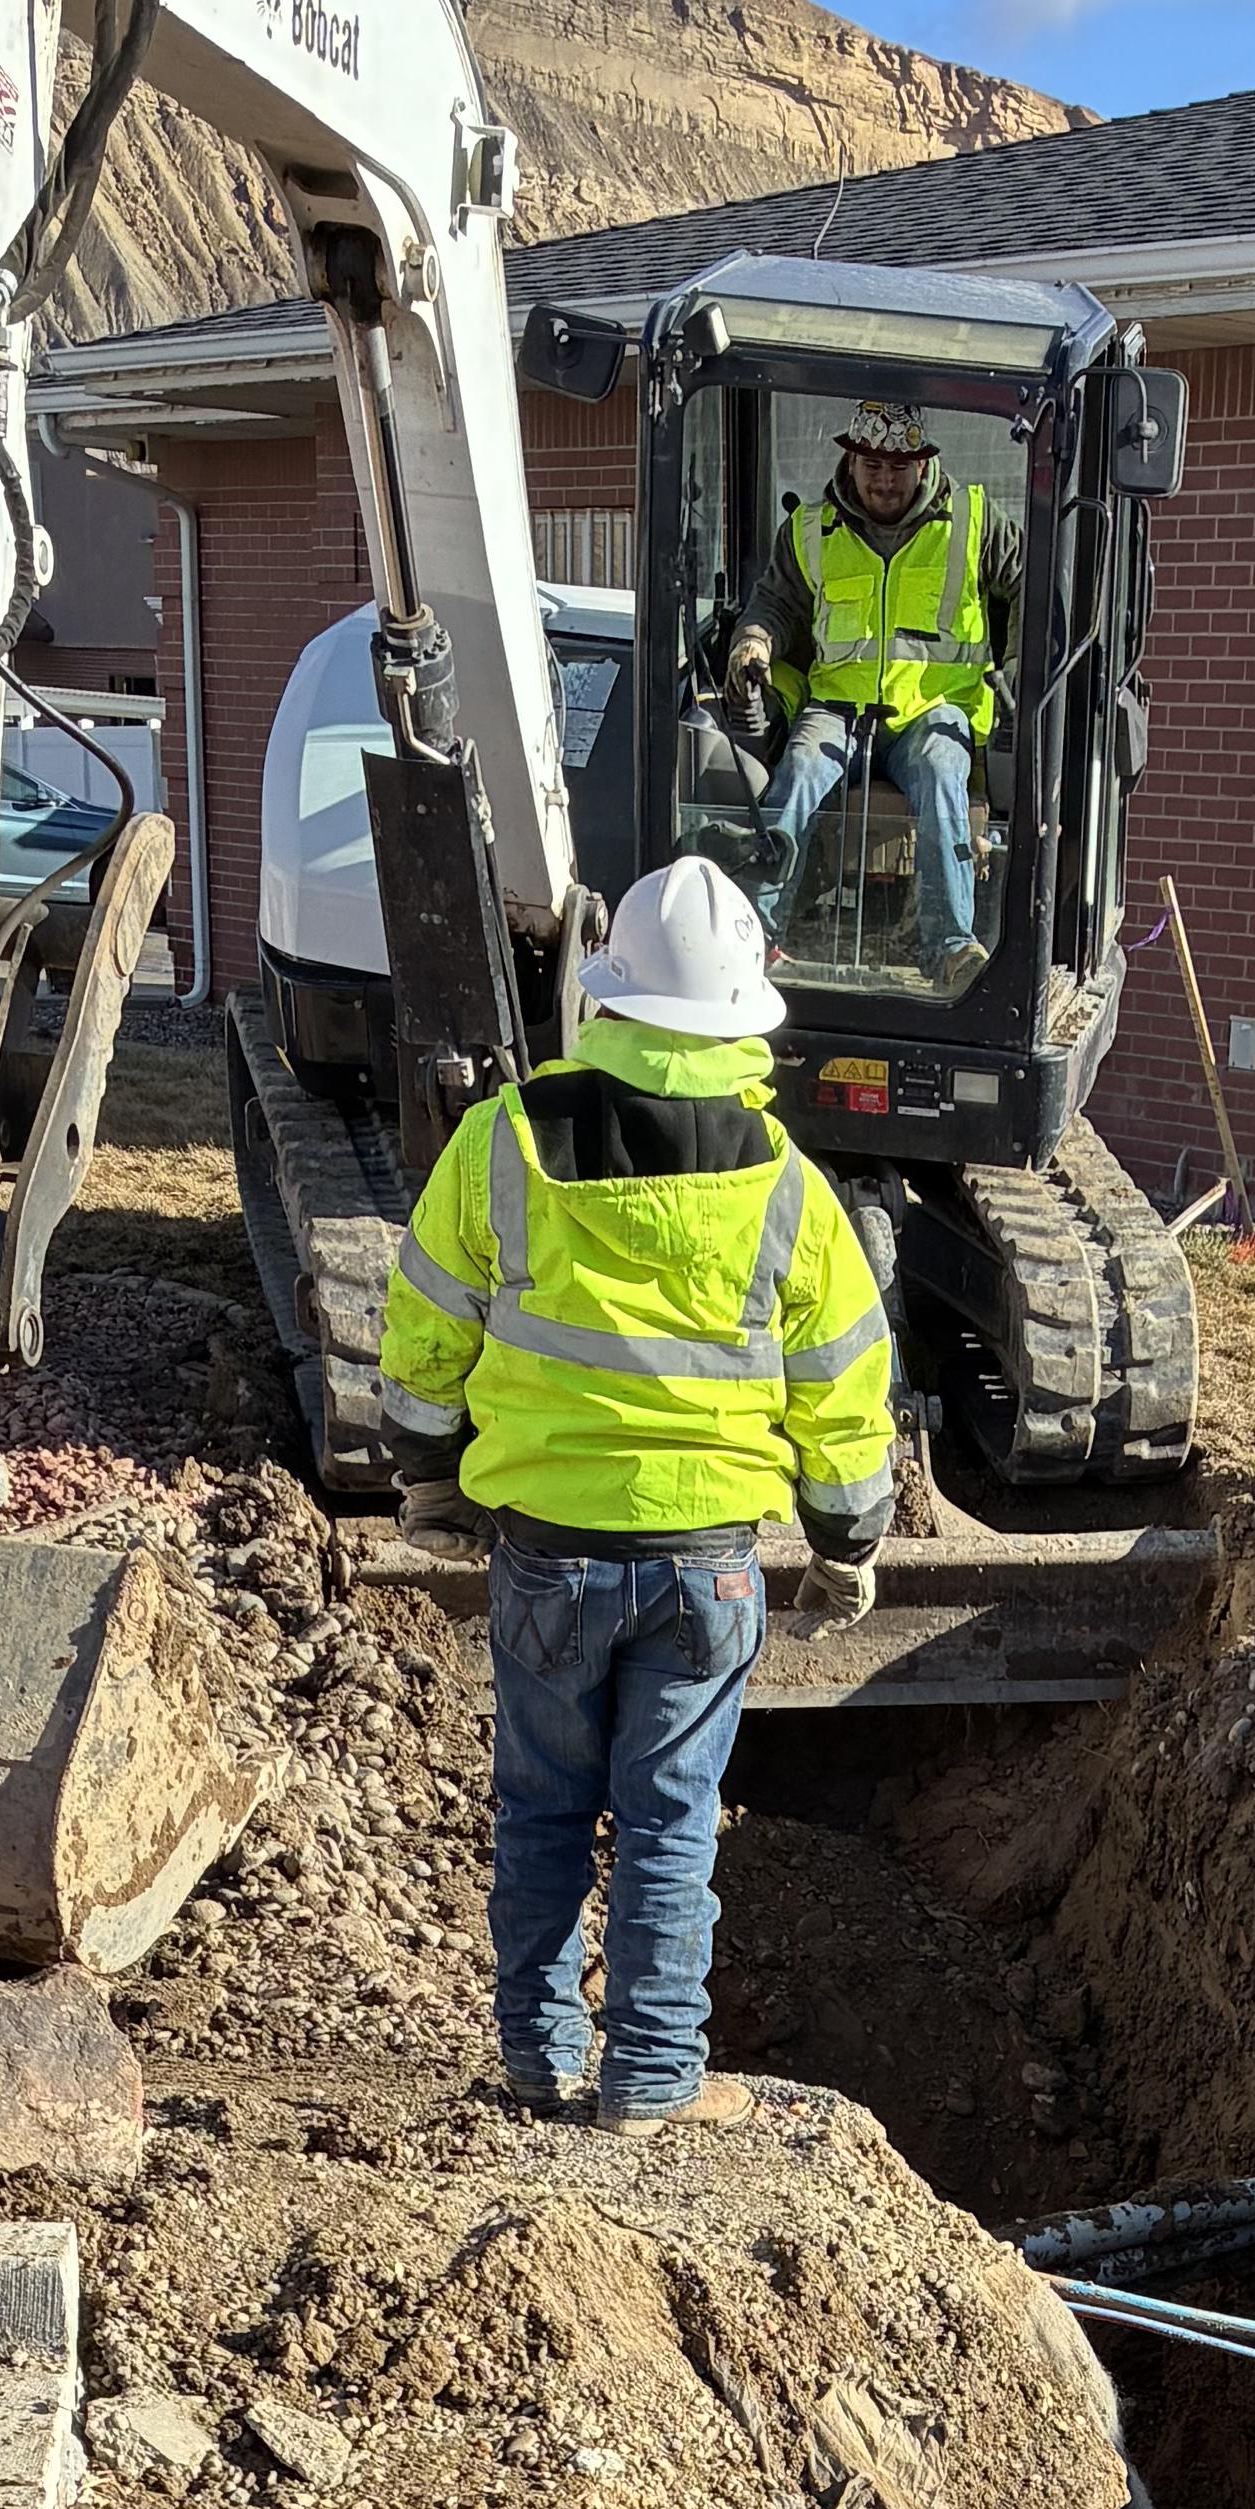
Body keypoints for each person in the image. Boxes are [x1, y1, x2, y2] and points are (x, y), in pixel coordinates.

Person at [373, 856, 896, 2132]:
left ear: (608, 999)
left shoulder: (503, 1138)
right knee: (671, 1825)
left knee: (543, 1809)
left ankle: (539, 2060)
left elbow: (427, 1322)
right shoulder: (785, 1184)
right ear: (741, 1020)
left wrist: (429, 1476)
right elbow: (842, 1380)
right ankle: (652, 2080)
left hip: (546, 1552)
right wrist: (847, 1538)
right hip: (707, 1561)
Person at [727, 398, 1020, 988]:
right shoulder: (810, 530)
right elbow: (775, 604)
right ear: (850, 460)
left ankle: (951, 947)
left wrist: (1017, 664)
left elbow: (1033, 590)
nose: (884, 480)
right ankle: (750, 934)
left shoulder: (975, 520)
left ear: (922, 464)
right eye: (871, 466)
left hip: (932, 712)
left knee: (944, 773)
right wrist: (754, 640)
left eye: (897, 466)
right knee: (800, 768)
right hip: (837, 708)